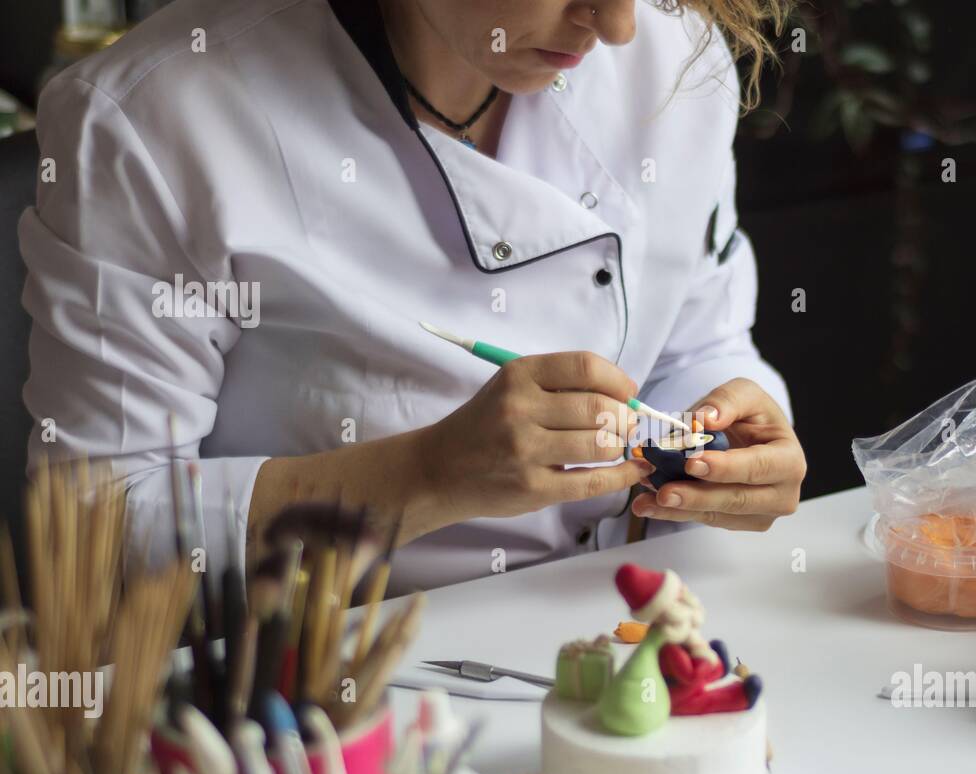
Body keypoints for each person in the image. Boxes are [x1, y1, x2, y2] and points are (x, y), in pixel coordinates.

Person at [19, 0, 806, 593]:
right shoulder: (155, 120)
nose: (615, 26)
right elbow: (98, 523)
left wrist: (728, 452)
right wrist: (425, 477)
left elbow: (700, 346)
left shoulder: (676, 57)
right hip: (335, 690)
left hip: (630, 622)